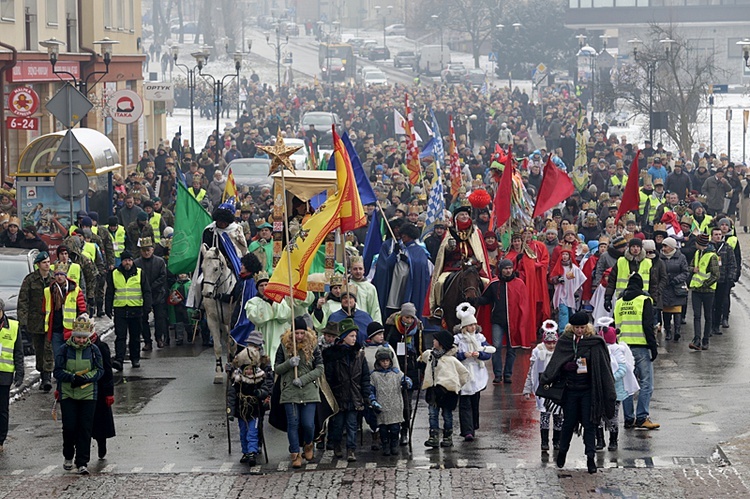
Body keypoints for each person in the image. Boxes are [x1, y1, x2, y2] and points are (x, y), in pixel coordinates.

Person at [540, 312, 616, 474]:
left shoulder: (595, 342)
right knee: (568, 423)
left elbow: (604, 367)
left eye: (582, 327)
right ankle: (562, 453)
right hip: (570, 390)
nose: (579, 330)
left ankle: (590, 458)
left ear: (587, 327)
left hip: (589, 390)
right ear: (571, 327)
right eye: (576, 328)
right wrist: (565, 367)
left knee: (590, 424)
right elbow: (556, 363)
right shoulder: (565, 341)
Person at [53, 315, 104, 475]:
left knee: (85, 428)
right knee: (69, 427)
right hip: (68, 393)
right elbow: (57, 371)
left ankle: (82, 461)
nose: (81, 341)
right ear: (73, 336)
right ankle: (68, 455)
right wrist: (72, 377)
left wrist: (87, 378)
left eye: (84, 338)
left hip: (88, 394)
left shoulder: (94, 350)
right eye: (78, 337)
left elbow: (100, 370)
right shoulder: (64, 350)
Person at [323, 318, 375, 462]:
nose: (354, 339)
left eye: (355, 336)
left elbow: (364, 377)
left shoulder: (359, 354)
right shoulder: (333, 355)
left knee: (352, 425)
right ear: (343, 337)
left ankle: (351, 449)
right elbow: (329, 377)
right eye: (351, 336)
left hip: (354, 395)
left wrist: (365, 395)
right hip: (339, 395)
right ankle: (337, 445)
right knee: (338, 424)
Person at [473, 259, 532, 384]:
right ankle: (498, 374)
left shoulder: (519, 284)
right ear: (501, 269)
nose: (508, 270)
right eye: (505, 268)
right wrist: (475, 299)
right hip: (497, 321)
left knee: (512, 349)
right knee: (496, 347)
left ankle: (508, 374)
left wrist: (523, 320)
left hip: (514, 322)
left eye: (510, 268)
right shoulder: (494, 284)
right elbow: (486, 299)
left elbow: (524, 304)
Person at [613, 273, 660, 430]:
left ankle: (628, 418)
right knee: (646, 383)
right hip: (641, 346)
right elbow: (648, 326)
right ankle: (642, 417)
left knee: (627, 384)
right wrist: (653, 347)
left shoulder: (619, 302)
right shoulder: (644, 300)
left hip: (623, 348)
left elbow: (615, 326)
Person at [228, 333, 273, 467]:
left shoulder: (264, 361)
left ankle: (254, 449)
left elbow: (268, 382)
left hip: (256, 405)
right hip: (243, 408)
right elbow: (232, 388)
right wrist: (229, 369)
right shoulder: (241, 358)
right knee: (243, 431)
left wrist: (264, 394)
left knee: (255, 428)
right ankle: (246, 451)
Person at [420, 329, 470, 449]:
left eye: (436, 340)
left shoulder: (451, 360)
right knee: (432, 414)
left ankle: (447, 437)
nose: (433, 341)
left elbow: (464, 374)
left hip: (447, 393)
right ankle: (434, 436)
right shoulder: (429, 355)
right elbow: (421, 359)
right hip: (433, 391)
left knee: (447, 415)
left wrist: (456, 386)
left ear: (441, 343)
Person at [454, 303, 495, 442]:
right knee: (464, 401)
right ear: (464, 327)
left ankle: (473, 425)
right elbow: (452, 355)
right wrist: (462, 355)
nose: (473, 327)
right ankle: (467, 430)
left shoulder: (480, 338)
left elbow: (488, 353)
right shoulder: (458, 340)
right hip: (464, 372)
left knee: (475, 400)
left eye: (474, 325)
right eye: (470, 325)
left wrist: (479, 355)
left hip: (477, 372)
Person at [105, 250, 153, 371]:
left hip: (136, 309)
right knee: (120, 336)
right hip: (120, 309)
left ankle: (135, 358)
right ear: (122, 261)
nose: (128, 263)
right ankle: (119, 359)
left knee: (135, 336)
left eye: (130, 260)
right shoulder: (114, 273)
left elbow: (146, 291)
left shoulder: (140, 273)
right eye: (126, 260)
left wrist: (147, 306)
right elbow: (110, 292)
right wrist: (108, 307)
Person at [523, 320, 563, 452]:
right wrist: (527, 389)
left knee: (558, 415)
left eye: (553, 343)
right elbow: (532, 372)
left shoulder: (561, 351)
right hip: (543, 389)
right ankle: (544, 442)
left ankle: (557, 441)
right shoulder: (537, 352)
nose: (551, 345)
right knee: (545, 415)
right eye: (548, 343)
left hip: (557, 388)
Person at [18, 251, 54, 392]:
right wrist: (23, 321)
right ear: (38, 265)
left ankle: (47, 378)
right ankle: (42, 371)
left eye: (48, 262)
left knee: (48, 348)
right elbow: (23, 301)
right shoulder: (30, 280)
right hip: (35, 321)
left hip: (50, 320)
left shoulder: (53, 279)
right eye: (44, 262)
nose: (47, 265)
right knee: (39, 349)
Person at [370, 347, 412, 456]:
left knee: (395, 428)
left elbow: (406, 380)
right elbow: (370, 390)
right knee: (383, 429)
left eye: (387, 361)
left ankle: (394, 444)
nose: (385, 363)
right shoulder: (374, 375)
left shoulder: (397, 373)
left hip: (395, 405)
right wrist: (373, 400)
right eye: (382, 361)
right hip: (382, 405)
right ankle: (385, 445)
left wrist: (407, 382)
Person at [245, 271, 291, 366]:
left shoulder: (279, 299)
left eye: (266, 284)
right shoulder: (252, 302)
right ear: (257, 288)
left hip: (278, 335)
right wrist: (264, 303)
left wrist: (272, 301)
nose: (264, 288)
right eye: (261, 285)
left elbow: (285, 315)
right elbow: (257, 319)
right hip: (263, 336)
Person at [43, 263, 87, 357]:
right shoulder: (48, 291)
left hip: (71, 330)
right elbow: (44, 309)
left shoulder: (75, 290)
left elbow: (82, 310)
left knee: (70, 357)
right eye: (57, 274)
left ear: (66, 275)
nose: (59, 277)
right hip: (55, 330)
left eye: (62, 274)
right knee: (58, 357)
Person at [134, 237, 168, 350]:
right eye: (144, 250)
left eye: (148, 250)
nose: (146, 252)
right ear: (140, 251)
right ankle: (147, 341)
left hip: (158, 293)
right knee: (143, 319)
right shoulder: (136, 263)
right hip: (142, 295)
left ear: (152, 250)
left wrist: (152, 287)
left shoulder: (160, 261)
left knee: (160, 318)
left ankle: (159, 338)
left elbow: (163, 277)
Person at [0, 298, 24, 453]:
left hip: (4, 374)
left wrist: (20, 372)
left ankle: (0, 439)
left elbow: (18, 352)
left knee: (2, 409)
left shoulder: (13, 326)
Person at [688, 233, 720, 351]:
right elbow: (690, 266)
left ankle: (705, 340)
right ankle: (697, 339)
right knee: (697, 316)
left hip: (708, 291)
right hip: (696, 290)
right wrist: (693, 269)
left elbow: (716, 275)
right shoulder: (697, 253)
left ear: (699, 243)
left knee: (707, 316)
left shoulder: (712, 256)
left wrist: (705, 284)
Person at [90, 331, 115, 460]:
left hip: (99, 389)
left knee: (100, 420)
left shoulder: (101, 347)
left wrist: (109, 392)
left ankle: (101, 444)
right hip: (81, 388)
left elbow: (107, 370)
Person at [659, 237, 690, 342]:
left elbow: (685, 272)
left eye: (665, 246)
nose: (663, 248)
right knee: (666, 311)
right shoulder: (660, 258)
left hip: (676, 287)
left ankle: (677, 331)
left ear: (671, 247)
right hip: (665, 287)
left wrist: (676, 279)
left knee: (677, 310)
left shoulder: (681, 257)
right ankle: (668, 331)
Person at [709, 227, 736, 336]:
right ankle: (709, 326)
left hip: (723, 280)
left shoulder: (727, 248)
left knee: (719, 304)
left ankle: (716, 326)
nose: (718, 236)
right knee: (711, 305)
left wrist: (731, 278)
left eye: (719, 234)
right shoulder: (708, 248)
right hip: (710, 281)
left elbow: (732, 264)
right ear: (712, 236)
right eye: (716, 234)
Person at [347, 256, 382, 324]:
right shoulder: (347, 285)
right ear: (350, 270)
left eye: (360, 269)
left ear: (364, 270)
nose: (358, 271)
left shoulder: (371, 288)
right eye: (355, 269)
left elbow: (375, 309)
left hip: (365, 322)